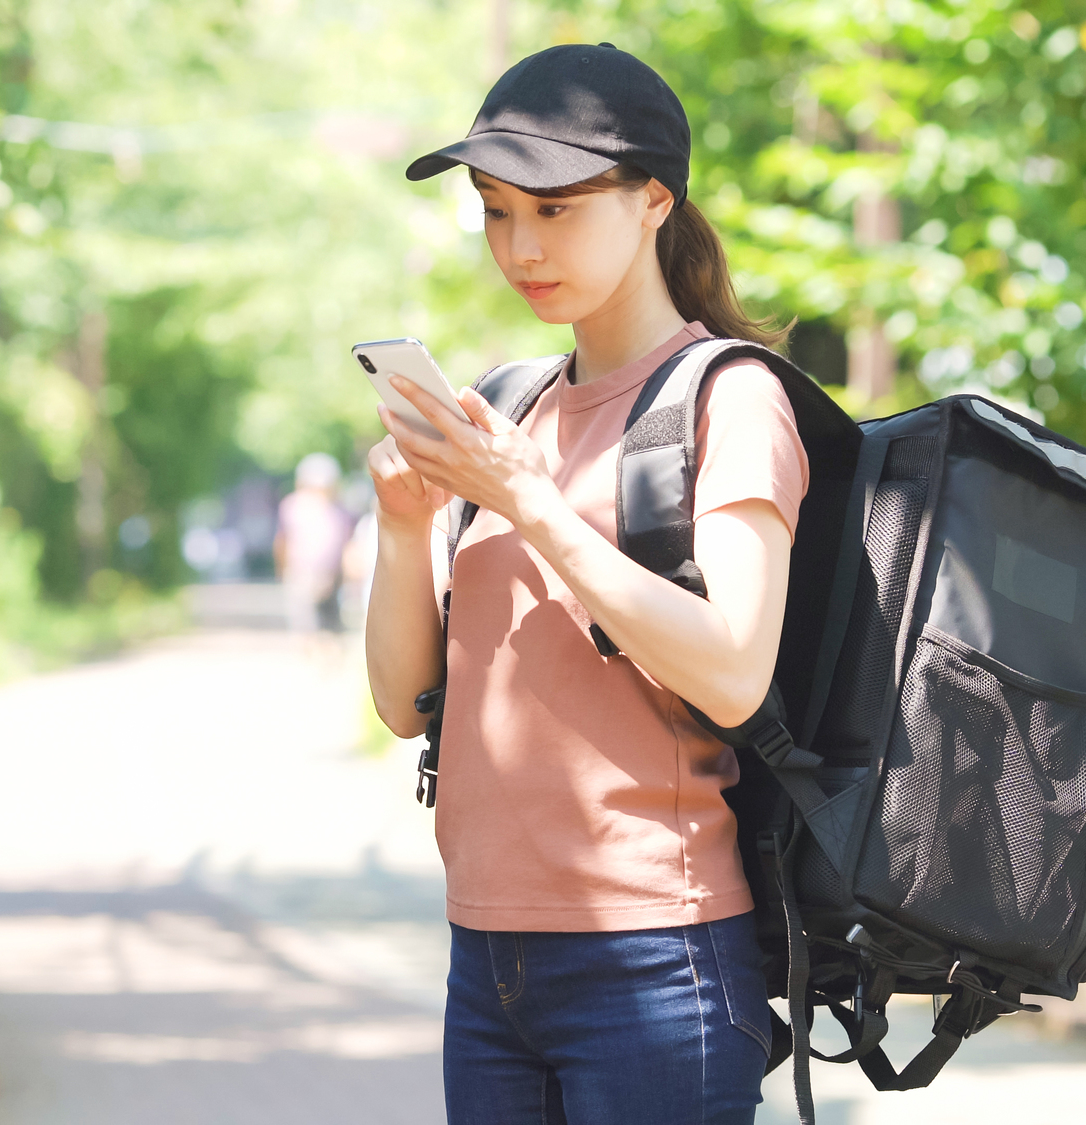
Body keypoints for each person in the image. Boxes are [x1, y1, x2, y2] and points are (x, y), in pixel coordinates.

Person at [362, 44, 811, 1125]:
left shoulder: (729, 400)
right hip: (487, 959)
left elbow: (738, 672)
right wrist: (399, 523)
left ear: (653, 198)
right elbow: (402, 705)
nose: (519, 244)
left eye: (555, 210)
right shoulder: (507, 408)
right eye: (495, 210)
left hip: (654, 961)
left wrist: (530, 504)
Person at [275, 451, 354, 634]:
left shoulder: (338, 510)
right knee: (308, 622)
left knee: (325, 623)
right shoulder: (294, 506)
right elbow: (283, 541)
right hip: (303, 572)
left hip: (330, 574)